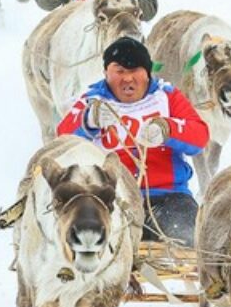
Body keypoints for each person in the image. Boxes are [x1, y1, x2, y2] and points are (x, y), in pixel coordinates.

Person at [56, 36, 209, 245]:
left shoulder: (167, 97)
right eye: (119, 71)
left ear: (147, 73)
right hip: (110, 199)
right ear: (106, 74)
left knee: (189, 240)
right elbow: (63, 139)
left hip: (168, 196)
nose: (127, 79)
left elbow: (200, 137)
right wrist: (88, 120)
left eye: (134, 70)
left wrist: (168, 129)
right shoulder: (92, 100)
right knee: (93, 243)